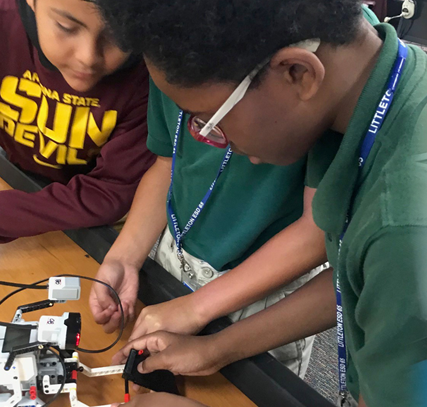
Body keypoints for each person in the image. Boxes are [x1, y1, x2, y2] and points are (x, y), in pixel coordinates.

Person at [89, 0, 427, 404]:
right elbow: (353, 278)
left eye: (209, 122)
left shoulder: (400, 221)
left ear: (298, 73)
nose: (216, 141)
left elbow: (382, 268)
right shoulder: (356, 90)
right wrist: (216, 349)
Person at [85, 80, 331, 376]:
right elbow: (167, 163)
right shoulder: (164, 57)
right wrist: (124, 257)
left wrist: (196, 309)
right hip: (171, 261)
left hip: (265, 292)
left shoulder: (322, 93)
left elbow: (318, 230)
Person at [0, 0, 155, 254]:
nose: (88, 57)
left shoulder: (151, 65)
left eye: (119, 35)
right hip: (21, 177)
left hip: (111, 220)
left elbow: (113, 190)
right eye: (66, 27)